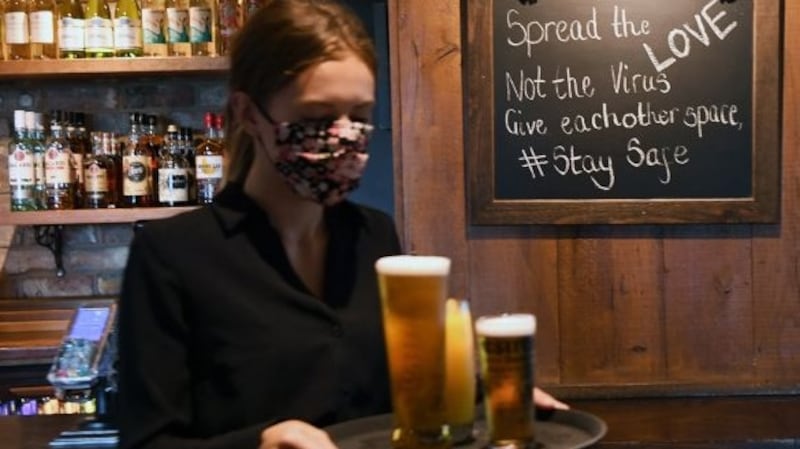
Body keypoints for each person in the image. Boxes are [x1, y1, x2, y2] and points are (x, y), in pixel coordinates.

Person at [117, 1, 567, 449]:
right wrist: (263, 443)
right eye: (317, 116)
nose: (345, 135)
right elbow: (148, 442)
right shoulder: (172, 254)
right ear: (250, 114)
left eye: (361, 117)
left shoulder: (375, 237)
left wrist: (494, 399)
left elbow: (408, 387)